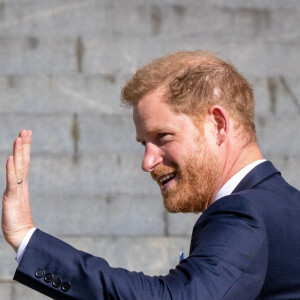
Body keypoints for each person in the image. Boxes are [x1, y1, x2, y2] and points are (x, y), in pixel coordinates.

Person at [2, 50, 300, 299]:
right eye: (144, 143)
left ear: (218, 125)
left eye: (163, 136)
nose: (147, 161)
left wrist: (26, 238)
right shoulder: (285, 205)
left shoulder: (242, 213)